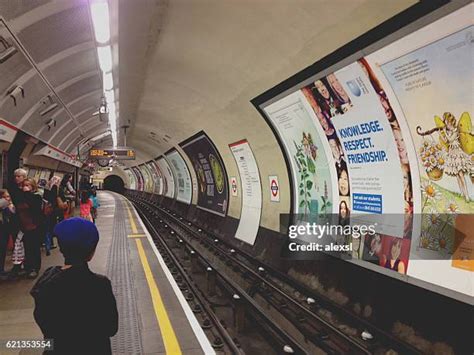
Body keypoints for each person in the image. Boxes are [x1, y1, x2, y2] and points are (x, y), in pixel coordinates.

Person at [30, 218, 118, 354]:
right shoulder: (100, 285)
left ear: (61, 248)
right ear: (92, 253)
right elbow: (111, 328)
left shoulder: (46, 283)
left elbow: (44, 323)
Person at [17, 178, 44, 279]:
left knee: (34, 247)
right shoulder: (20, 196)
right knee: (26, 248)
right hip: (24, 225)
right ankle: (27, 267)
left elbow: (34, 207)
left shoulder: (36, 197)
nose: (25, 187)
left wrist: (27, 193)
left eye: (28, 185)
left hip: (35, 225)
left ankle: (34, 268)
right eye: (24, 185)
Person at [43, 176, 62, 256]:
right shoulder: (55, 188)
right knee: (51, 228)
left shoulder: (46, 188)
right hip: (53, 211)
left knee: (46, 228)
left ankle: (46, 244)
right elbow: (55, 199)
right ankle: (50, 244)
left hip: (46, 210)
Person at [0, 191, 17, 280]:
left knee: (3, 251)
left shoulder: (8, 206)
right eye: (5, 197)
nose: (8, 199)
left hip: (5, 231)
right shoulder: (3, 206)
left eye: (9, 197)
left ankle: (1, 270)